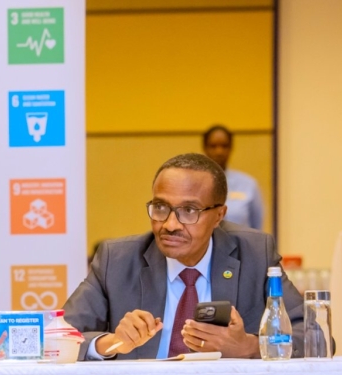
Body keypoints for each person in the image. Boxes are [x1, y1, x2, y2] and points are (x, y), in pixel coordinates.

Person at [64, 153, 304, 360]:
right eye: (160, 207)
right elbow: (60, 337)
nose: (170, 224)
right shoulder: (116, 260)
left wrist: (250, 347)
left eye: (189, 211)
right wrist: (111, 342)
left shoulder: (255, 254)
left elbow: (312, 334)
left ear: (219, 215)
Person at [203, 124, 266, 231]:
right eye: (213, 146)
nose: (219, 151)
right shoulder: (195, 183)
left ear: (231, 148)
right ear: (205, 148)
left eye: (224, 146)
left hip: (241, 247)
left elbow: (256, 226)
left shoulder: (248, 184)